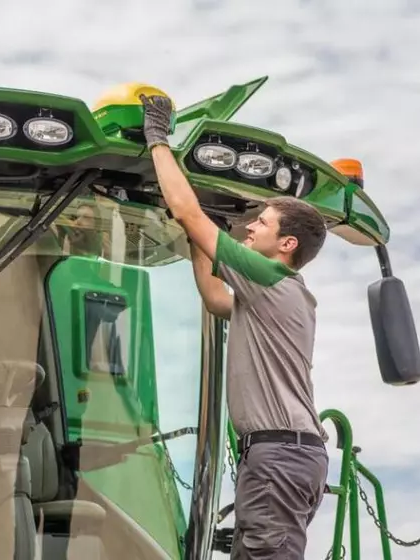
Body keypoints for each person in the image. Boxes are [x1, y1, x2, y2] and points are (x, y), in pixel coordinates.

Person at [140, 93, 330, 559]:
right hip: (283, 455)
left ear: (285, 244)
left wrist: (158, 141)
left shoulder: (270, 277)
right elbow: (212, 296)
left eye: (260, 224)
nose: (249, 230)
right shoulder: (270, 296)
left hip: (279, 456)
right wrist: (200, 234)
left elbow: (188, 212)